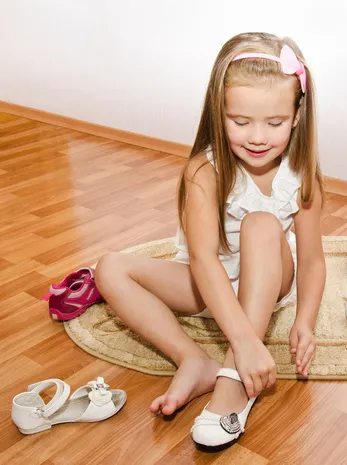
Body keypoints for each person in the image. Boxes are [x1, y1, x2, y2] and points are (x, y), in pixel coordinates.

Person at [94, 31, 326, 447]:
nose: (257, 137)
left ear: (296, 115)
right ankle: (193, 359)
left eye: (274, 123)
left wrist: (305, 322)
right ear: (218, 113)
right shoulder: (204, 171)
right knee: (110, 267)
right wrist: (244, 338)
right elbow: (202, 261)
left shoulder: (302, 174)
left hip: (270, 283)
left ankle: (235, 379)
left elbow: (311, 260)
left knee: (260, 223)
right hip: (209, 283)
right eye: (240, 122)